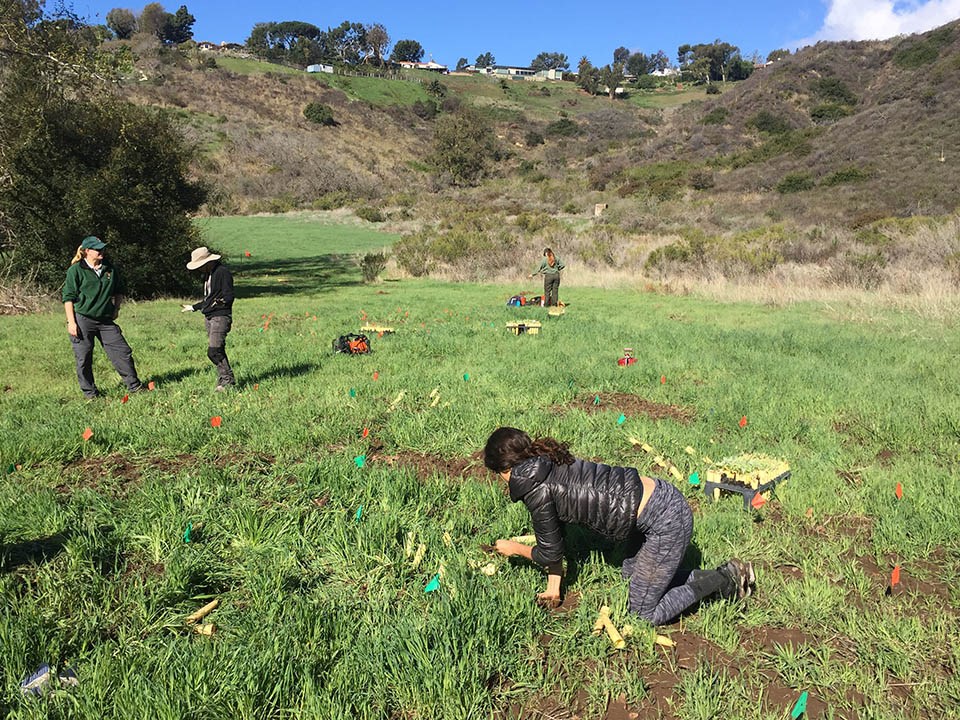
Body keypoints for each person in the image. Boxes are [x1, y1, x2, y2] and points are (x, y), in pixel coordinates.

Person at [483, 427, 755, 624]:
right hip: (658, 499)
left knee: (643, 613)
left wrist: (514, 548)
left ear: (505, 470)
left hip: (666, 521)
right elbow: (556, 535)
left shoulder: (536, 492)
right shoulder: (546, 463)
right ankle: (711, 577)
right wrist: (554, 588)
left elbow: (548, 552)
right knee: (631, 576)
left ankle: (726, 579)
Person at [62, 236, 144, 399]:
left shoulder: (110, 269)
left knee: (122, 351)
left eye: (102, 248)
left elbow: (119, 290)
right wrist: (71, 322)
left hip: (105, 320)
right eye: (97, 249)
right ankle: (90, 393)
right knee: (83, 357)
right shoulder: (76, 270)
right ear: (86, 251)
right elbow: (68, 298)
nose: (101, 251)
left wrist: (116, 308)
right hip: (83, 319)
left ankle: (134, 386)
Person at [182, 246, 235, 391]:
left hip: (220, 316)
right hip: (210, 316)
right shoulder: (208, 274)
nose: (198, 269)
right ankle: (224, 380)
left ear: (207, 262)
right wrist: (193, 307)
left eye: (199, 266)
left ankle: (227, 380)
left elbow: (228, 296)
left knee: (214, 351)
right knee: (219, 350)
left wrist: (218, 303)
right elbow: (208, 298)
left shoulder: (222, 272)